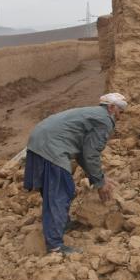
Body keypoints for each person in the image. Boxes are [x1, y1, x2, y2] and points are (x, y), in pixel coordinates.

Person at [23, 93, 127, 254]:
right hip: (52, 147)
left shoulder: (91, 114)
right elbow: (91, 154)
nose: (120, 117)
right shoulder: (105, 119)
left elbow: (82, 154)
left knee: (53, 190)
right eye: (120, 111)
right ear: (112, 108)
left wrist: (98, 179)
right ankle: (55, 245)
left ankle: (61, 224)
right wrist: (100, 183)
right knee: (61, 192)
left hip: (38, 142)